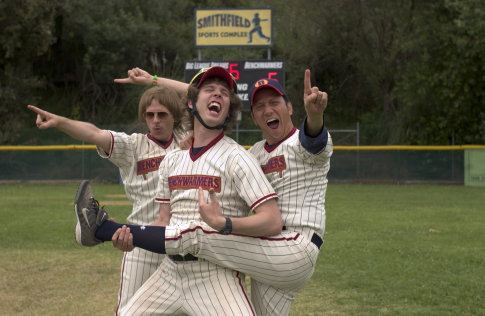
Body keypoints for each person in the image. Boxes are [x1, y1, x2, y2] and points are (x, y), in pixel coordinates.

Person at [80, 67, 333, 316]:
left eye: (275, 102)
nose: (268, 109)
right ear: (253, 117)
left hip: (291, 248)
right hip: (240, 256)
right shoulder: (252, 153)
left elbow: (314, 138)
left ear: (289, 108)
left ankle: (102, 229)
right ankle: (110, 230)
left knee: (200, 233)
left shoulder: (298, 144)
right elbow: (201, 99)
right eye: (259, 106)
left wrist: (314, 116)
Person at [28, 85, 187, 314]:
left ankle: (100, 229)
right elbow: (93, 133)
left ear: (175, 116)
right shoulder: (133, 146)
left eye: (162, 114)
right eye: (149, 115)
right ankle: (102, 230)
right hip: (141, 247)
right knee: (128, 311)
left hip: (181, 244)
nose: (155, 121)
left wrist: (152, 79)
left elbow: (199, 91)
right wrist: (58, 121)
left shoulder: (187, 141)